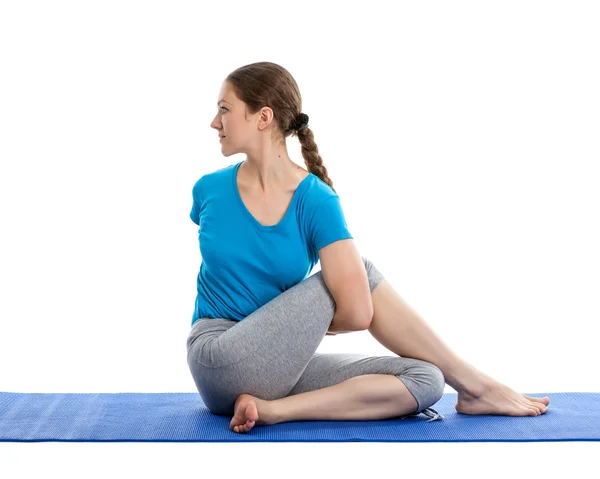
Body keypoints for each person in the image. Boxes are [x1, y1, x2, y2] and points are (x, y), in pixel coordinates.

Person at [186, 61, 550, 434]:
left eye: (225, 109)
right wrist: (302, 321)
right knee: (360, 270)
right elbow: (358, 311)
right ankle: (476, 384)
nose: (215, 122)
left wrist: (295, 327)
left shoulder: (315, 201)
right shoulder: (208, 191)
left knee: (425, 380)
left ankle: (273, 410)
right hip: (218, 360)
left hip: (277, 367)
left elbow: (356, 312)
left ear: (263, 117)